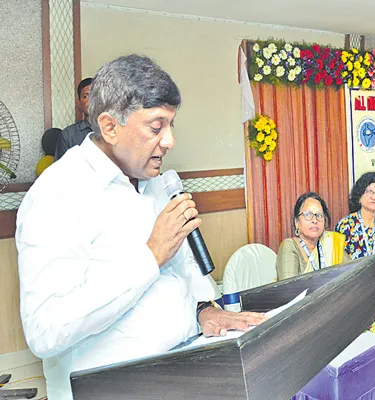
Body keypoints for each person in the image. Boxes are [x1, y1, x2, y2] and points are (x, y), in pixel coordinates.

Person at [16, 55, 265, 400]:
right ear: (109, 127)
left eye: (171, 125)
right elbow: (46, 330)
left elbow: (176, 279)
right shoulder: (57, 194)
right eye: (156, 126)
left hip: (182, 373)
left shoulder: (154, 185)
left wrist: (203, 312)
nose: (169, 141)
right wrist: (151, 255)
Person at [276, 192, 349, 280]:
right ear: (296, 222)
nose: (314, 220)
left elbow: (353, 274)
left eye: (319, 215)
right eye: (308, 215)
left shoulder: (332, 244)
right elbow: (288, 289)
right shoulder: (289, 246)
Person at [54, 77, 94, 160]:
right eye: (86, 96)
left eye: (95, 95)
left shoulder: (115, 130)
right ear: (79, 103)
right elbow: (60, 170)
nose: (91, 100)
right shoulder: (68, 135)